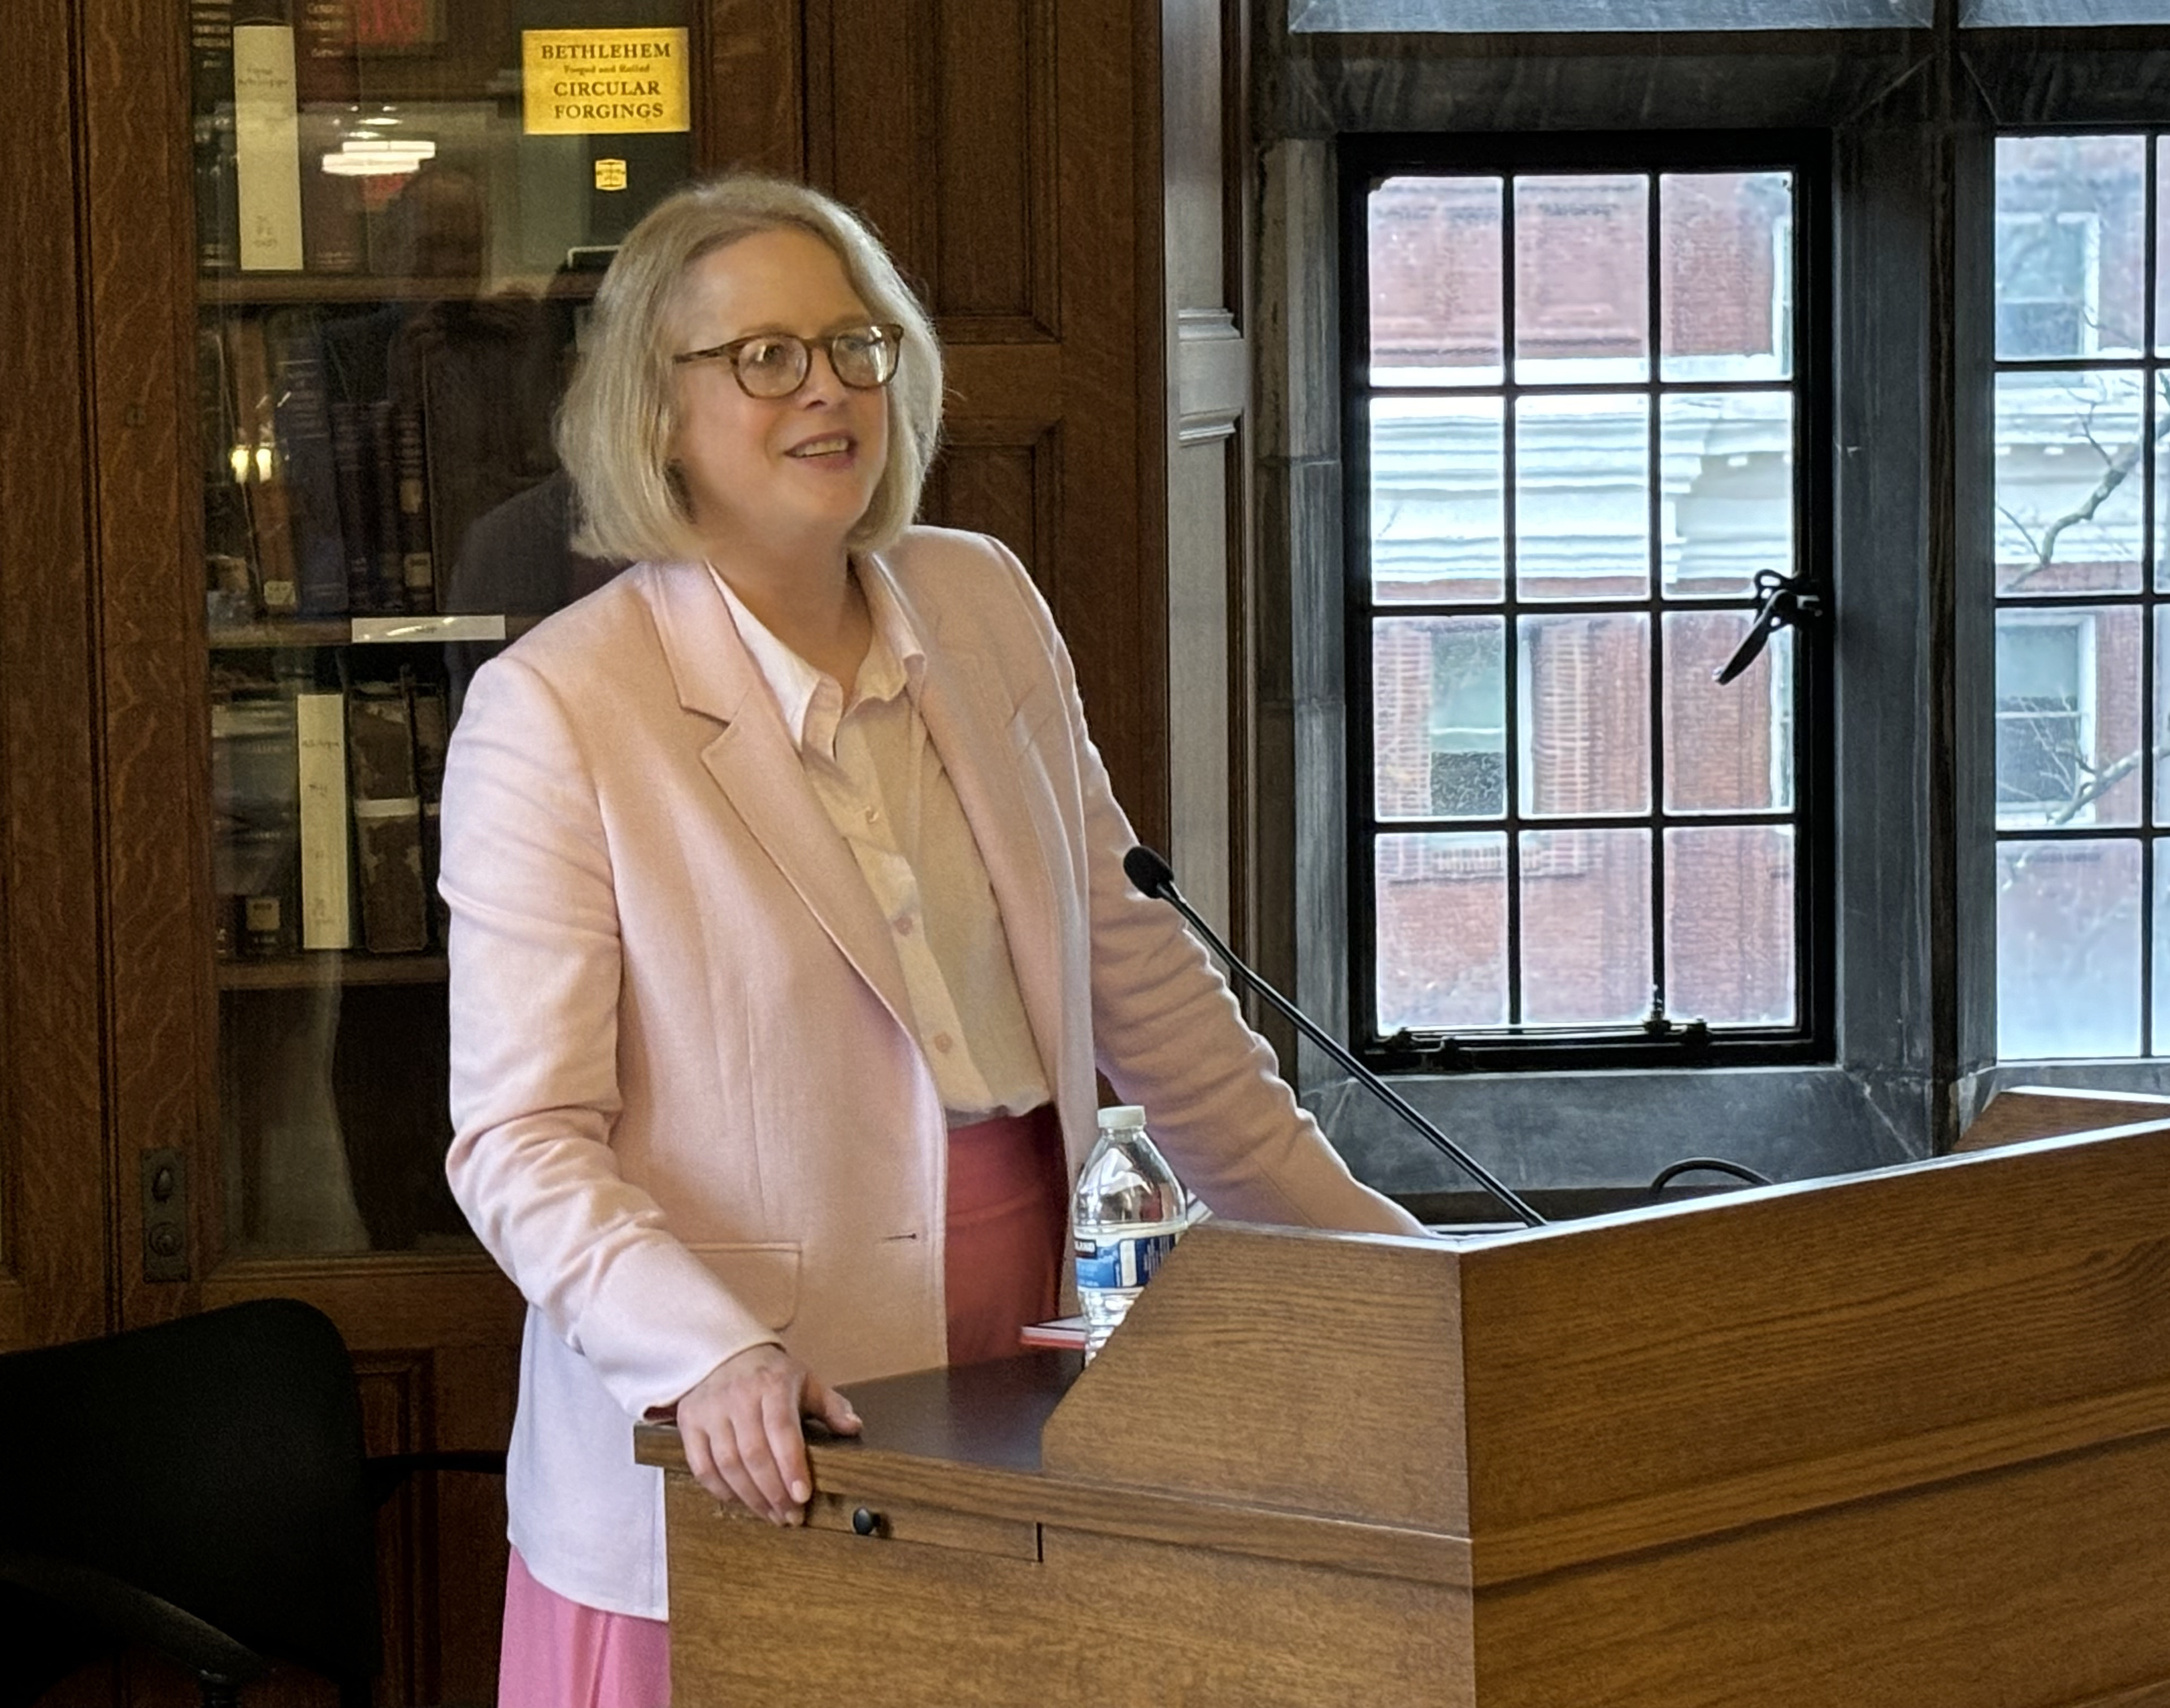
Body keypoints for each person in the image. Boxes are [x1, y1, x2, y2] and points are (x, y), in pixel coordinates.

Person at [440, 173, 1429, 1708]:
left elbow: (1150, 996)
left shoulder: (982, 603)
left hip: (1039, 1371)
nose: (827, 386)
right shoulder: (558, 710)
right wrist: (704, 1355)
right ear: (656, 409)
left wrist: (1406, 1283)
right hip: (754, 1419)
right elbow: (523, 1139)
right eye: (764, 356)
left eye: (856, 344)